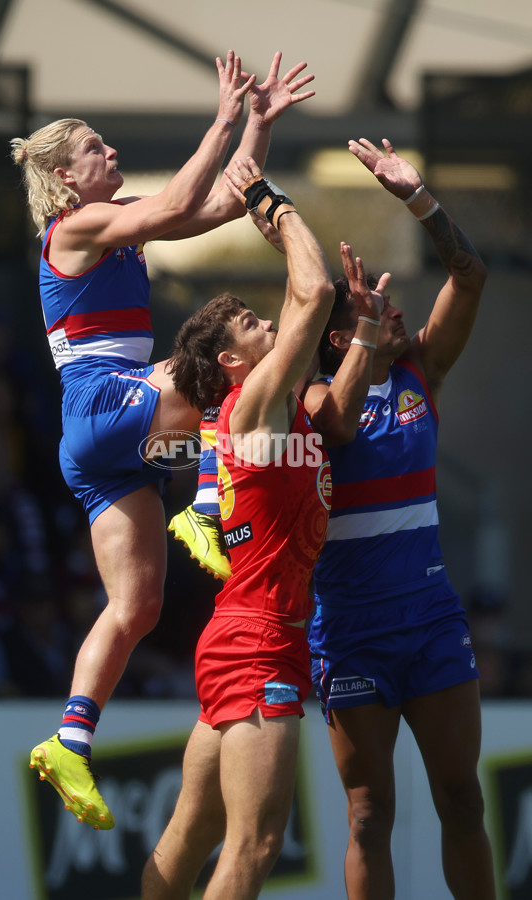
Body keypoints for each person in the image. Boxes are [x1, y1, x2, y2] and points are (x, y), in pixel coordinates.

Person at [10, 50, 316, 830]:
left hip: (103, 444)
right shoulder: (76, 227)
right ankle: (207, 504)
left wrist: (259, 123)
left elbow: (215, 202)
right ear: (65, 178)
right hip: (108, 403)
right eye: (95, 149)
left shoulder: (115, 225)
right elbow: (182, 198)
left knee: (136, 606)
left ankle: (71, 740)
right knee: (230, 366)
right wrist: (219, 116)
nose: (110, 154)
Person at [141, 161, 387, 900]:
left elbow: (339, 406)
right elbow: (311, 292)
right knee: (256, 846)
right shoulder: (252, 408)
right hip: (257, 642)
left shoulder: (282, 411)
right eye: (252, 325)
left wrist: (369, 326)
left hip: (243, 633)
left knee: (192, 834)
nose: (271, 324)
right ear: (230, 362)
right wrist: (270, 206)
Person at [304, 139, 495, 900]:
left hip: (431, 626)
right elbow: (340, 428)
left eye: (384, 296)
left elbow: (471, 276)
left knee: (464, 801)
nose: (386, 298)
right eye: (368, 298)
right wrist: (358, 334)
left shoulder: (422, 370)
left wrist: (418, 199)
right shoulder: (315, 399)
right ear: (336, 333)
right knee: (367, 815)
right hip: (351, 636)